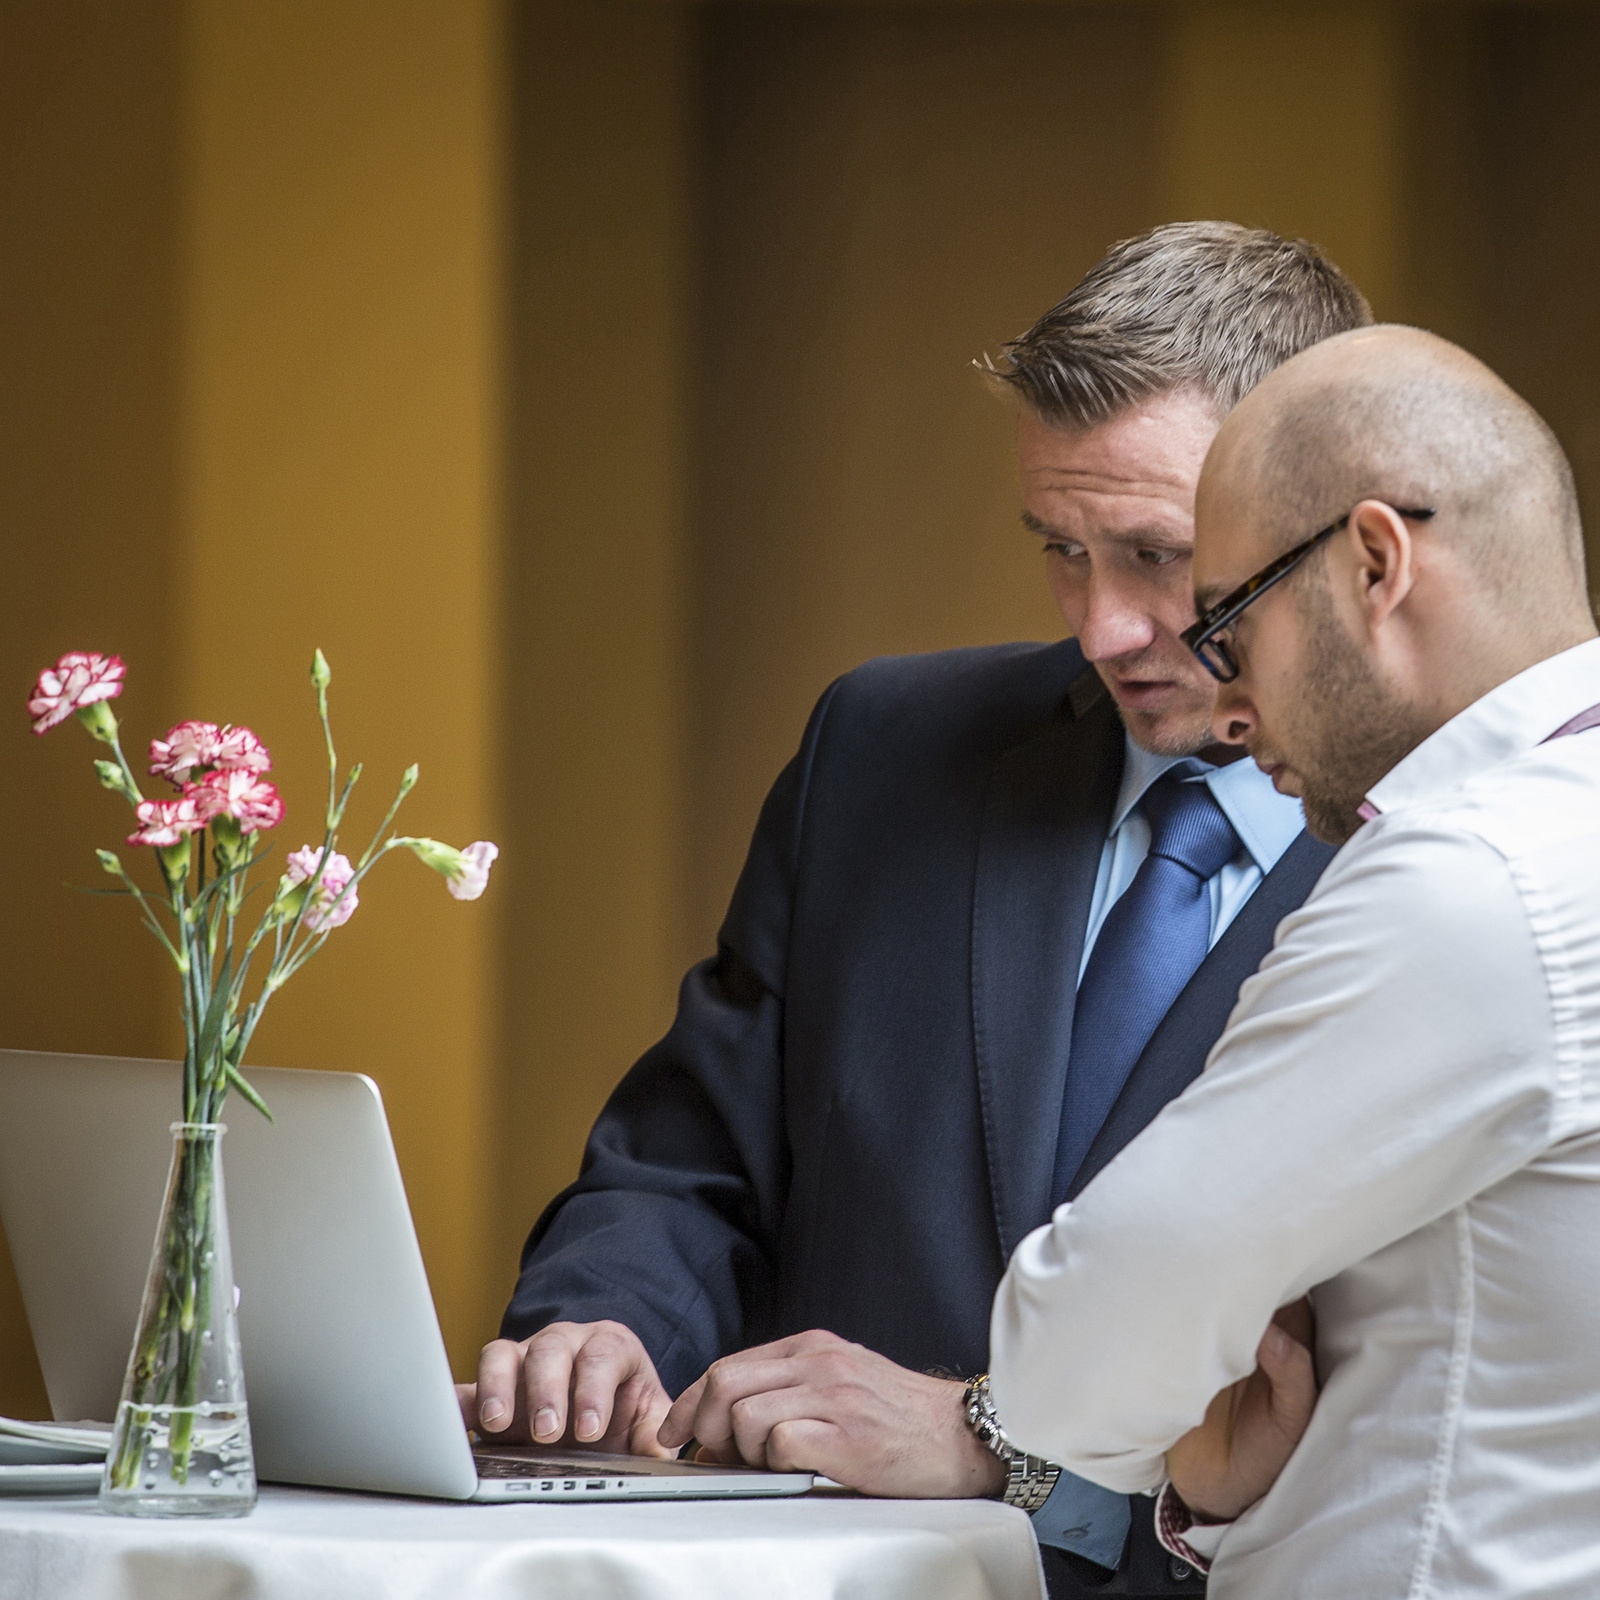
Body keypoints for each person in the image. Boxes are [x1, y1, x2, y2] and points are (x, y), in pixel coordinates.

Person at [462, 222, 1365, 1598]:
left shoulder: (1451, 859)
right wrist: (605, 1326)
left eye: (1155, 554)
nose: (1101, 627)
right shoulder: (878, 746)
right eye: (1061, 549)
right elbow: (690, 1158)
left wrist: (1007, 1446)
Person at [989, 324, 1600, 1598]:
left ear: (1374, 563)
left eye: (1227, 625)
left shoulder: (1471, 878)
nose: (1225, 705)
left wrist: (1136, 1435)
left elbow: (1072, 1346)